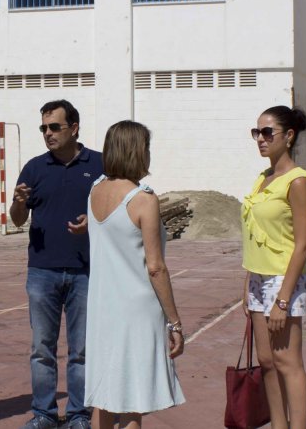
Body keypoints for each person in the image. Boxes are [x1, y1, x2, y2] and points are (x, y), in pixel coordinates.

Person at [84, 120, 185, 429]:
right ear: (137, 151)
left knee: (104, 395)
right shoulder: (143, 199)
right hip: (136, 310)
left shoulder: (95, 189)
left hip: (102, 308)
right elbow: (155, 267)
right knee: (133, 402)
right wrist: (175, 321)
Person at [10, 100, 103, 429]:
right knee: (41, 349)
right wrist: (19, 204)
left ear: (74, 128)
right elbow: (18, 220)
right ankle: (44, 415)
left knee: (81, 350)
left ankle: (79, 416)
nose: (48, 134)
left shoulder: (101, 165)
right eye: (43, 128)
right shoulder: (34, 168)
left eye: (54, 127)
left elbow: (116, 213)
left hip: (86, 271)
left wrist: (93, 225)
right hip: (42, 271)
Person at [241, 106, 306, 429]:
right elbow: (258, 235)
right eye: (257, 132)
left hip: (284, 280)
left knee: (288, 363)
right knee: (267, 362)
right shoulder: (262, 179)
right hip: (259, 279)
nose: (261, 139)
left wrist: (283, 299)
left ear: (289, 136)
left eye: (267, 132)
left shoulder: (296, 182)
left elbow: (302, 245)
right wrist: (248, 283)